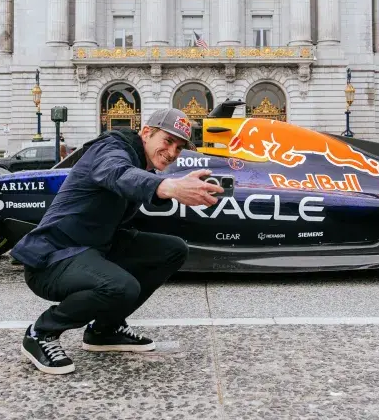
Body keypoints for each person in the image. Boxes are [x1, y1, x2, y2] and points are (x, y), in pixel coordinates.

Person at [12, 108, 223, 375]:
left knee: (172, 250)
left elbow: (132, 188)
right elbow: (118, 174)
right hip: (53, 258)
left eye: (179, 148)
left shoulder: (140, 163)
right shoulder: (111, 149)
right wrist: (170, 187)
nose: (171, 153)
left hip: (94, 248)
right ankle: (41, 333)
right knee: (121, 287)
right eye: (167, 141)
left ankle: (105, 329)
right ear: (146, 133)